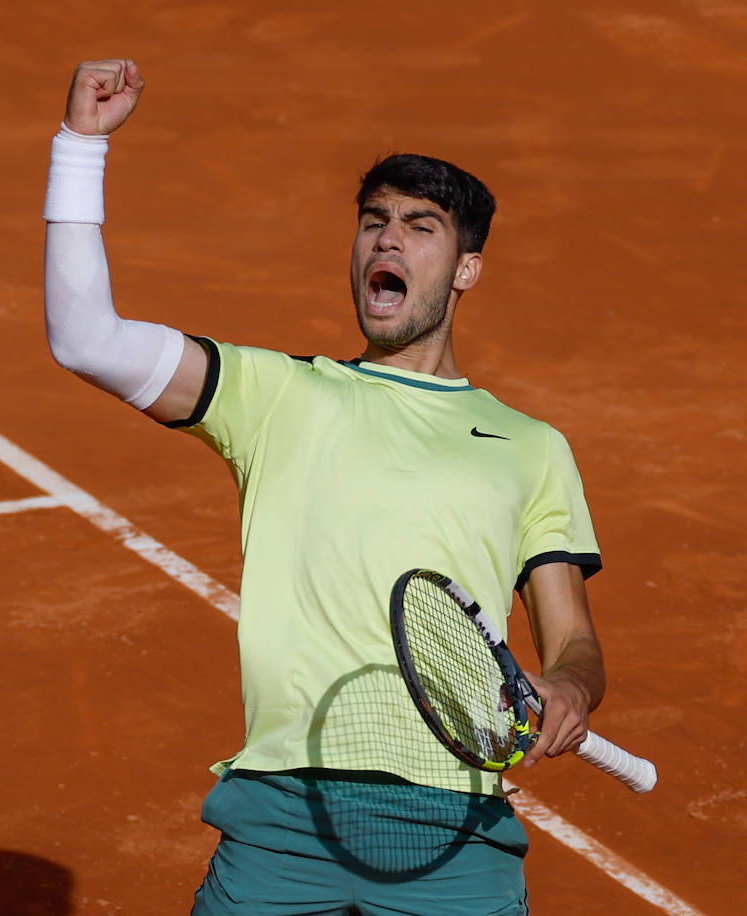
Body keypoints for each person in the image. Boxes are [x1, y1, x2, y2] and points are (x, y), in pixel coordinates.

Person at [43, 59, 608, 916]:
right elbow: (85, 337)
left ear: (466, 271)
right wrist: (79, 146)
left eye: (420, 227)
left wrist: (570, 686)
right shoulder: (278, 396)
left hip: (455, 834)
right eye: (374, 222)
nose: (387, 240)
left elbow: (573, 640)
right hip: (279, 822)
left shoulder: (530, 448)